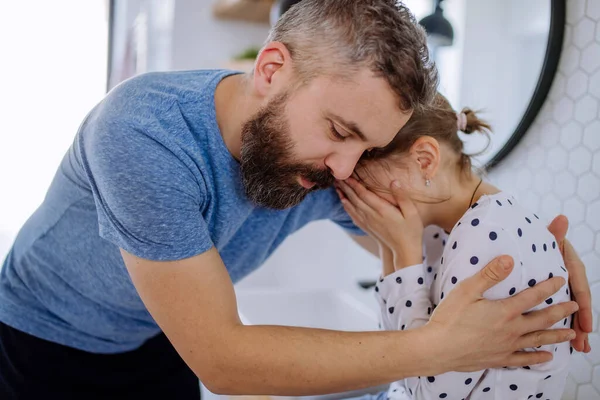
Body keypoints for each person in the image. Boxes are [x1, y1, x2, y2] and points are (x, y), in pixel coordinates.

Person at [0, 1, 590, 399]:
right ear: (272, 69)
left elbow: (444, 209)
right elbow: (223, 358)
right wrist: (436, 347)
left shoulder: (331, 161)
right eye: (338, 131)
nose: (345, 170)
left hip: (157, 339)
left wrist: (541, 250)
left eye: (366, 147)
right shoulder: (143, 134)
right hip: (44, 337)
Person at [337, 93, 587, 400]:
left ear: (424, 160)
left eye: (360, 181)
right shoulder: (456, 224)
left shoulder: (483, 236)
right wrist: (391, 246)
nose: (359, 195)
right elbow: (399, 357)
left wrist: (403, 253)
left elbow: (425, 392)